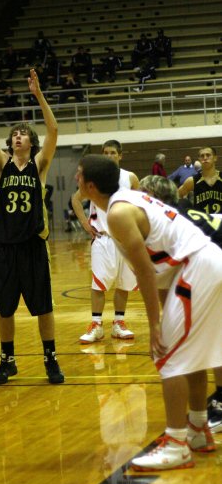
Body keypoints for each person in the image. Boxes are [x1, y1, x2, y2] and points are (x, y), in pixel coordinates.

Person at [76, 155, 220, 471]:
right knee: (190, 353)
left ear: (89, 185)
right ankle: (198, 430)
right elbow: (160, 265)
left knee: (168, 355)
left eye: (79, 174)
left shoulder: (117, 213)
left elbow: (144, 272)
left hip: (197, 265)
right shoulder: (129, 199)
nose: (75, 177)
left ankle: (176, 443)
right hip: (204, 262)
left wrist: (155, 323)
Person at [0, 69, 64, 386]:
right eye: (15, 133)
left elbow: (54, 129)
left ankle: (50, 358)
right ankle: (7, 360)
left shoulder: (39, 165)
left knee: (44, 307)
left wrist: (38, 95)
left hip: (34, 245)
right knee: (5, 308)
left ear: (31, 143)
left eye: (23, 134)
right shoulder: (1, 164)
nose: (18, 136)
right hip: (6, 248)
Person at [138, 174, 222, 436]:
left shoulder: (165, 224)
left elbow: (163, 283)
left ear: (154, 199)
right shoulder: (178, 215)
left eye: (142, 196)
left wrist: (163, 326)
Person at [72, 140, 139, 344]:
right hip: (102, 238)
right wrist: (84, 223)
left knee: (123, 283)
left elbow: (141, 201)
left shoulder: (130, 177)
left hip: (125, 239)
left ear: (120, 155)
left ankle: (119, 323)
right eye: (106, 153)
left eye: (113, 153)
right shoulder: (95, 177)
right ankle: (96, 325)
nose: (109, 156)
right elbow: (76, 199)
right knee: (99, 284)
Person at [178, 146, 222, 214]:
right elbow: (176, 195)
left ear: (215, 158)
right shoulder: (192, 181)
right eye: (202, 156)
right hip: (201, 223)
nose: (205, 158)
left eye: (208, 155)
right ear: (199, 159)